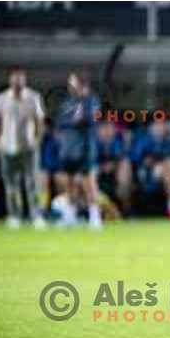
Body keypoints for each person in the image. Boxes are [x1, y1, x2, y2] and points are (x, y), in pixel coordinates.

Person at [0, 67, 45, 229]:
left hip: (29, 147)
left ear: (25, 80)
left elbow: (40, 123)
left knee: (32, 182)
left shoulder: (34, 97)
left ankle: (36, 216)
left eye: (21, 78)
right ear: (10, 80)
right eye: (15, 77)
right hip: (7, 147)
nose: (18, 81)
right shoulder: (1, 99)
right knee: (11, 184)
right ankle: (14, 216)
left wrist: (37, 142)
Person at [54, 71, 102, 229]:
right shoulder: (67, 103)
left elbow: (89, 120)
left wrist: (76, 120)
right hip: (68, 149)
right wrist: (73, 121)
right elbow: (60, 122)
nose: (70, 85)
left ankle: (95, 217)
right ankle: (70, 216)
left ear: (81, 84)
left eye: (73, 82)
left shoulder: (91, 101)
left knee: (89, 182)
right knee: (68, 183)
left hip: (85, 148)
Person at [96, 122, 132, 215]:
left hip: (115, 176)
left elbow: (121, 156)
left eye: (109, 127)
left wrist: (113, 165)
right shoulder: (93, 143)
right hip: (97, 177)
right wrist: (101, 167)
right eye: (103, 128)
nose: (106, 131)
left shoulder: (117, 142)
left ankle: (126, 211)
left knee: (125, 165)